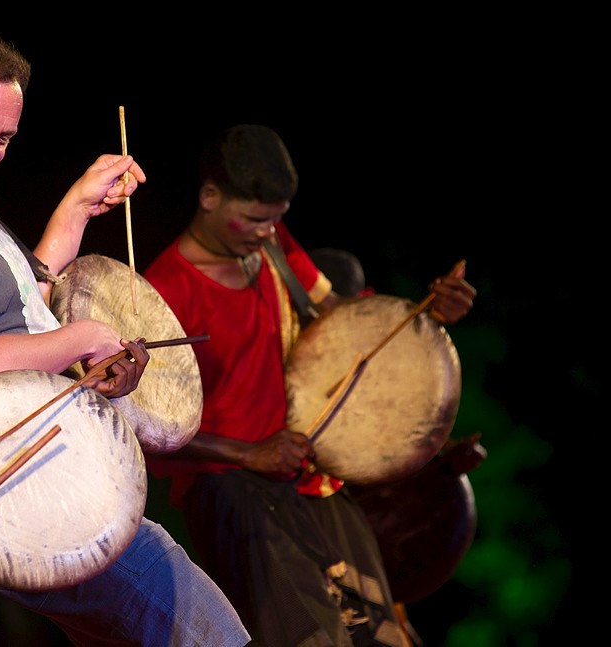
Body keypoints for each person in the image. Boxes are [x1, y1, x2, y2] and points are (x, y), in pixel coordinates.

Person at [0, 28, 251, 647]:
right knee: (210, 634)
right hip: (27, 488)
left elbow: (24, 307)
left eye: (5, 137)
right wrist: (84, 337)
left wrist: (76, 208)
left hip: (50, 471)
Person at [142, 124, 477, 647]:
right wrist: (250, 454)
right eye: (254, 218)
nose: (265, 231)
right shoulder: (164, 289)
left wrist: (424, 315)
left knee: (384, 637)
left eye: (276, 219)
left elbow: (338, 318)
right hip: (231, 491)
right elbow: (149, 427)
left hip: (307, 477)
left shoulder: (272, 244)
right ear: (209, 197)